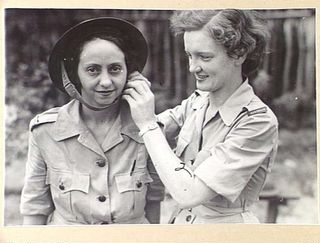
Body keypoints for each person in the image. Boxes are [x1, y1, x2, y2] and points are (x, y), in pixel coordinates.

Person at [122, 9, 279, 223]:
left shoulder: (257, 121)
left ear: (239, 54)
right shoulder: (197, 101)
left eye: (204, 57)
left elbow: (189, 194)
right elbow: (147, 131)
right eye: (189, 55)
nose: (192, 67)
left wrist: (148, 124)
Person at [20, 17, 164, 225]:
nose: (105, 82)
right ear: (74, 74)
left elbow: (153, 203)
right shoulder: (46, 131)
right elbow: (35, 210)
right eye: (93, 70)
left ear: (130, 73)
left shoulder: (148, 129)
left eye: (115, 69)